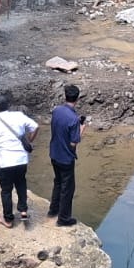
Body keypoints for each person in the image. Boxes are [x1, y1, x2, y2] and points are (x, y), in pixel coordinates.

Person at [0, 94, 38, 228]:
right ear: (9, 105)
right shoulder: (19, 115)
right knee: (21, 183)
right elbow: (36, 127)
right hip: (21, 160)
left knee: (6, 190)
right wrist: (30, 140)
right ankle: (23, 211)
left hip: (6, 162)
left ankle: (8, 219)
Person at [47, 83, 85, 227]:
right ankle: (63, 219)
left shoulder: (57, 110)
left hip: (54, 153)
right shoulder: (74, 120)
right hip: (66, 158)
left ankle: (53, 210)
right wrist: (81, 129)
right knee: (67, 188)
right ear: (77, 99)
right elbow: (73, 143)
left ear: (65, 96)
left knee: (58, 182)